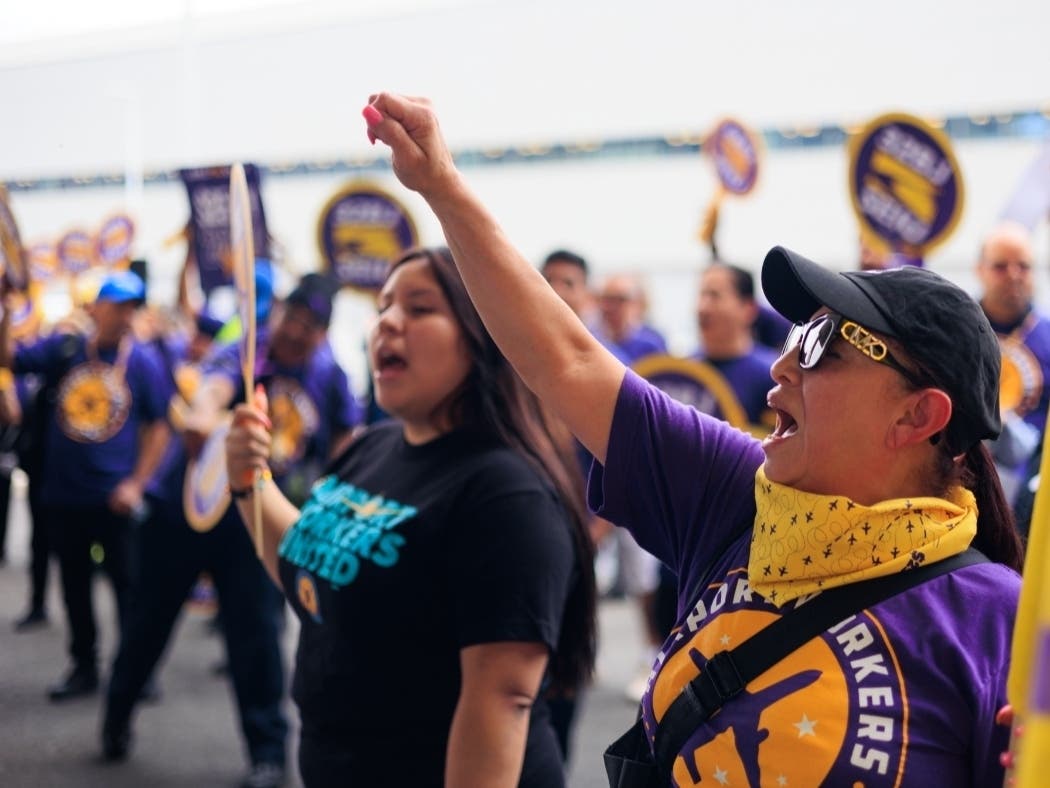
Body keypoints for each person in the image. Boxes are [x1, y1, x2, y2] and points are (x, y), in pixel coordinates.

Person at [362, 93, 1024, 785]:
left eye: (825, 342)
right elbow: (568, 360)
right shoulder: (735, 495)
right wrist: (440, 182)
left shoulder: (1000, 621)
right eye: (795, 335)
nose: (782, 363)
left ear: (918, 417)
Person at [225, 246, 596, 787]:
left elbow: (500, 702)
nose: (388, 322)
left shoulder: (506, 495)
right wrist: (249, 482)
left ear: (482, 333)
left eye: (420, 308)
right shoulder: (371, 448)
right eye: (383, 307)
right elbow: (306, 563)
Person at [102, 272, 357, 788]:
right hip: (183, 512)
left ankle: (268, 756)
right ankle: (117, 715)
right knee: (146, 624)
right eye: (293, 318)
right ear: (278, 311)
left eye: (311, 327)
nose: (296, 332)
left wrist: (334, 492)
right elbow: (211, 389)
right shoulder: (247, 351)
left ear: (323, 334)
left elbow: (346, 436)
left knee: (257, 638)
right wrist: (201, 418)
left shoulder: (328, 374)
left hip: (256, 523)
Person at [0, 270, 172, 701]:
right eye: (117, 305)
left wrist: (137, 484)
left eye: (132, 306)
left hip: (115, 500)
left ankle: (137, 669)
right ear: (96, 308)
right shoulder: (67, 348)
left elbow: (160, 428)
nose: (125, 315)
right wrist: (6, 306)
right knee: (75, 587)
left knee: (128, 589)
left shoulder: (144, 361)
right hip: (65, 496)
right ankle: (84, 665)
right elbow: (8, 359)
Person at [975, 221, 1050, 537]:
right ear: (980, 270)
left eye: (1023, 266)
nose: (1014, 274)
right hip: (970, 481)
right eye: (1000, 266)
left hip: (1034, 492)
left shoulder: (1046, 334)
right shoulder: (960, 329)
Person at [692, 263, 778, 429]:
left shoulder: (774, 375)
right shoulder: (683, 371)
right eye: (702, 295)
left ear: (748, 309)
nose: (703, 308)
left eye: (714, 296)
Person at [596, 273, 667, 361]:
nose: (610, 307)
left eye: (620, 300)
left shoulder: (651, 343)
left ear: (638, 303)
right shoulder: (594, 339)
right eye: (606, 299)